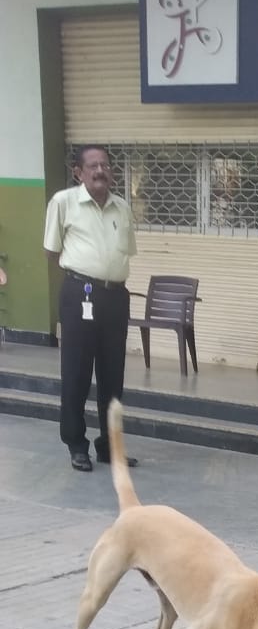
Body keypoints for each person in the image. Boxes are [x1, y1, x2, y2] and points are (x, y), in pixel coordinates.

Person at [43, 144, 138, 473]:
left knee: (113, 378)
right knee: (77, 373)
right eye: (93, 165)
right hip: (79, 294)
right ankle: (76, 444)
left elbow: (124, 254)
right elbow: (52, 252)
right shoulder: (63, 202)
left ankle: (111, 447)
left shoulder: (122, 207)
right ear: (78, 172)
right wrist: (80, 278)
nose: (101, 170)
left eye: (105, 165)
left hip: (115, 298)